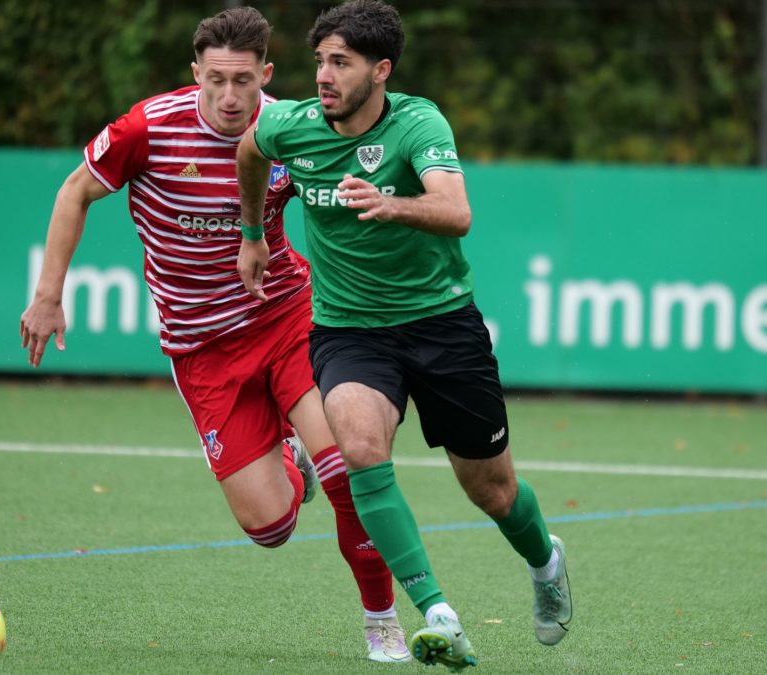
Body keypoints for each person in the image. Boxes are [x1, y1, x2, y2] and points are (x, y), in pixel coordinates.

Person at [19, 7, 412, 664]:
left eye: (245, 83)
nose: (231, 99)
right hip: (202, 350)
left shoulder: (289, 127)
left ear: (266, 74)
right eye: (216, 81)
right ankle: (286, 455)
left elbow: (344, 213)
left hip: (289, 319)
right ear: (195, 72)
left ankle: (381, 619)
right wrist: (47, 295)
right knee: (270, 527)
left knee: (346, 467)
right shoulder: (146, 128)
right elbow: (74, 192)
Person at [234, 0, 573, 670]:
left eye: (342, 63)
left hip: (442, 325)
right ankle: (438, 614)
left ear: (381, 69)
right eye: (321, 61)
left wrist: (393, 204)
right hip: (348, 329)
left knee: (492, 490)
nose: (325, 76)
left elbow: (456, 210)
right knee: (358, 444)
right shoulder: (289, 126)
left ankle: (545, 560)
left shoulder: (418, 122)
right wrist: (251, 234)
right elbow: (249, 152)